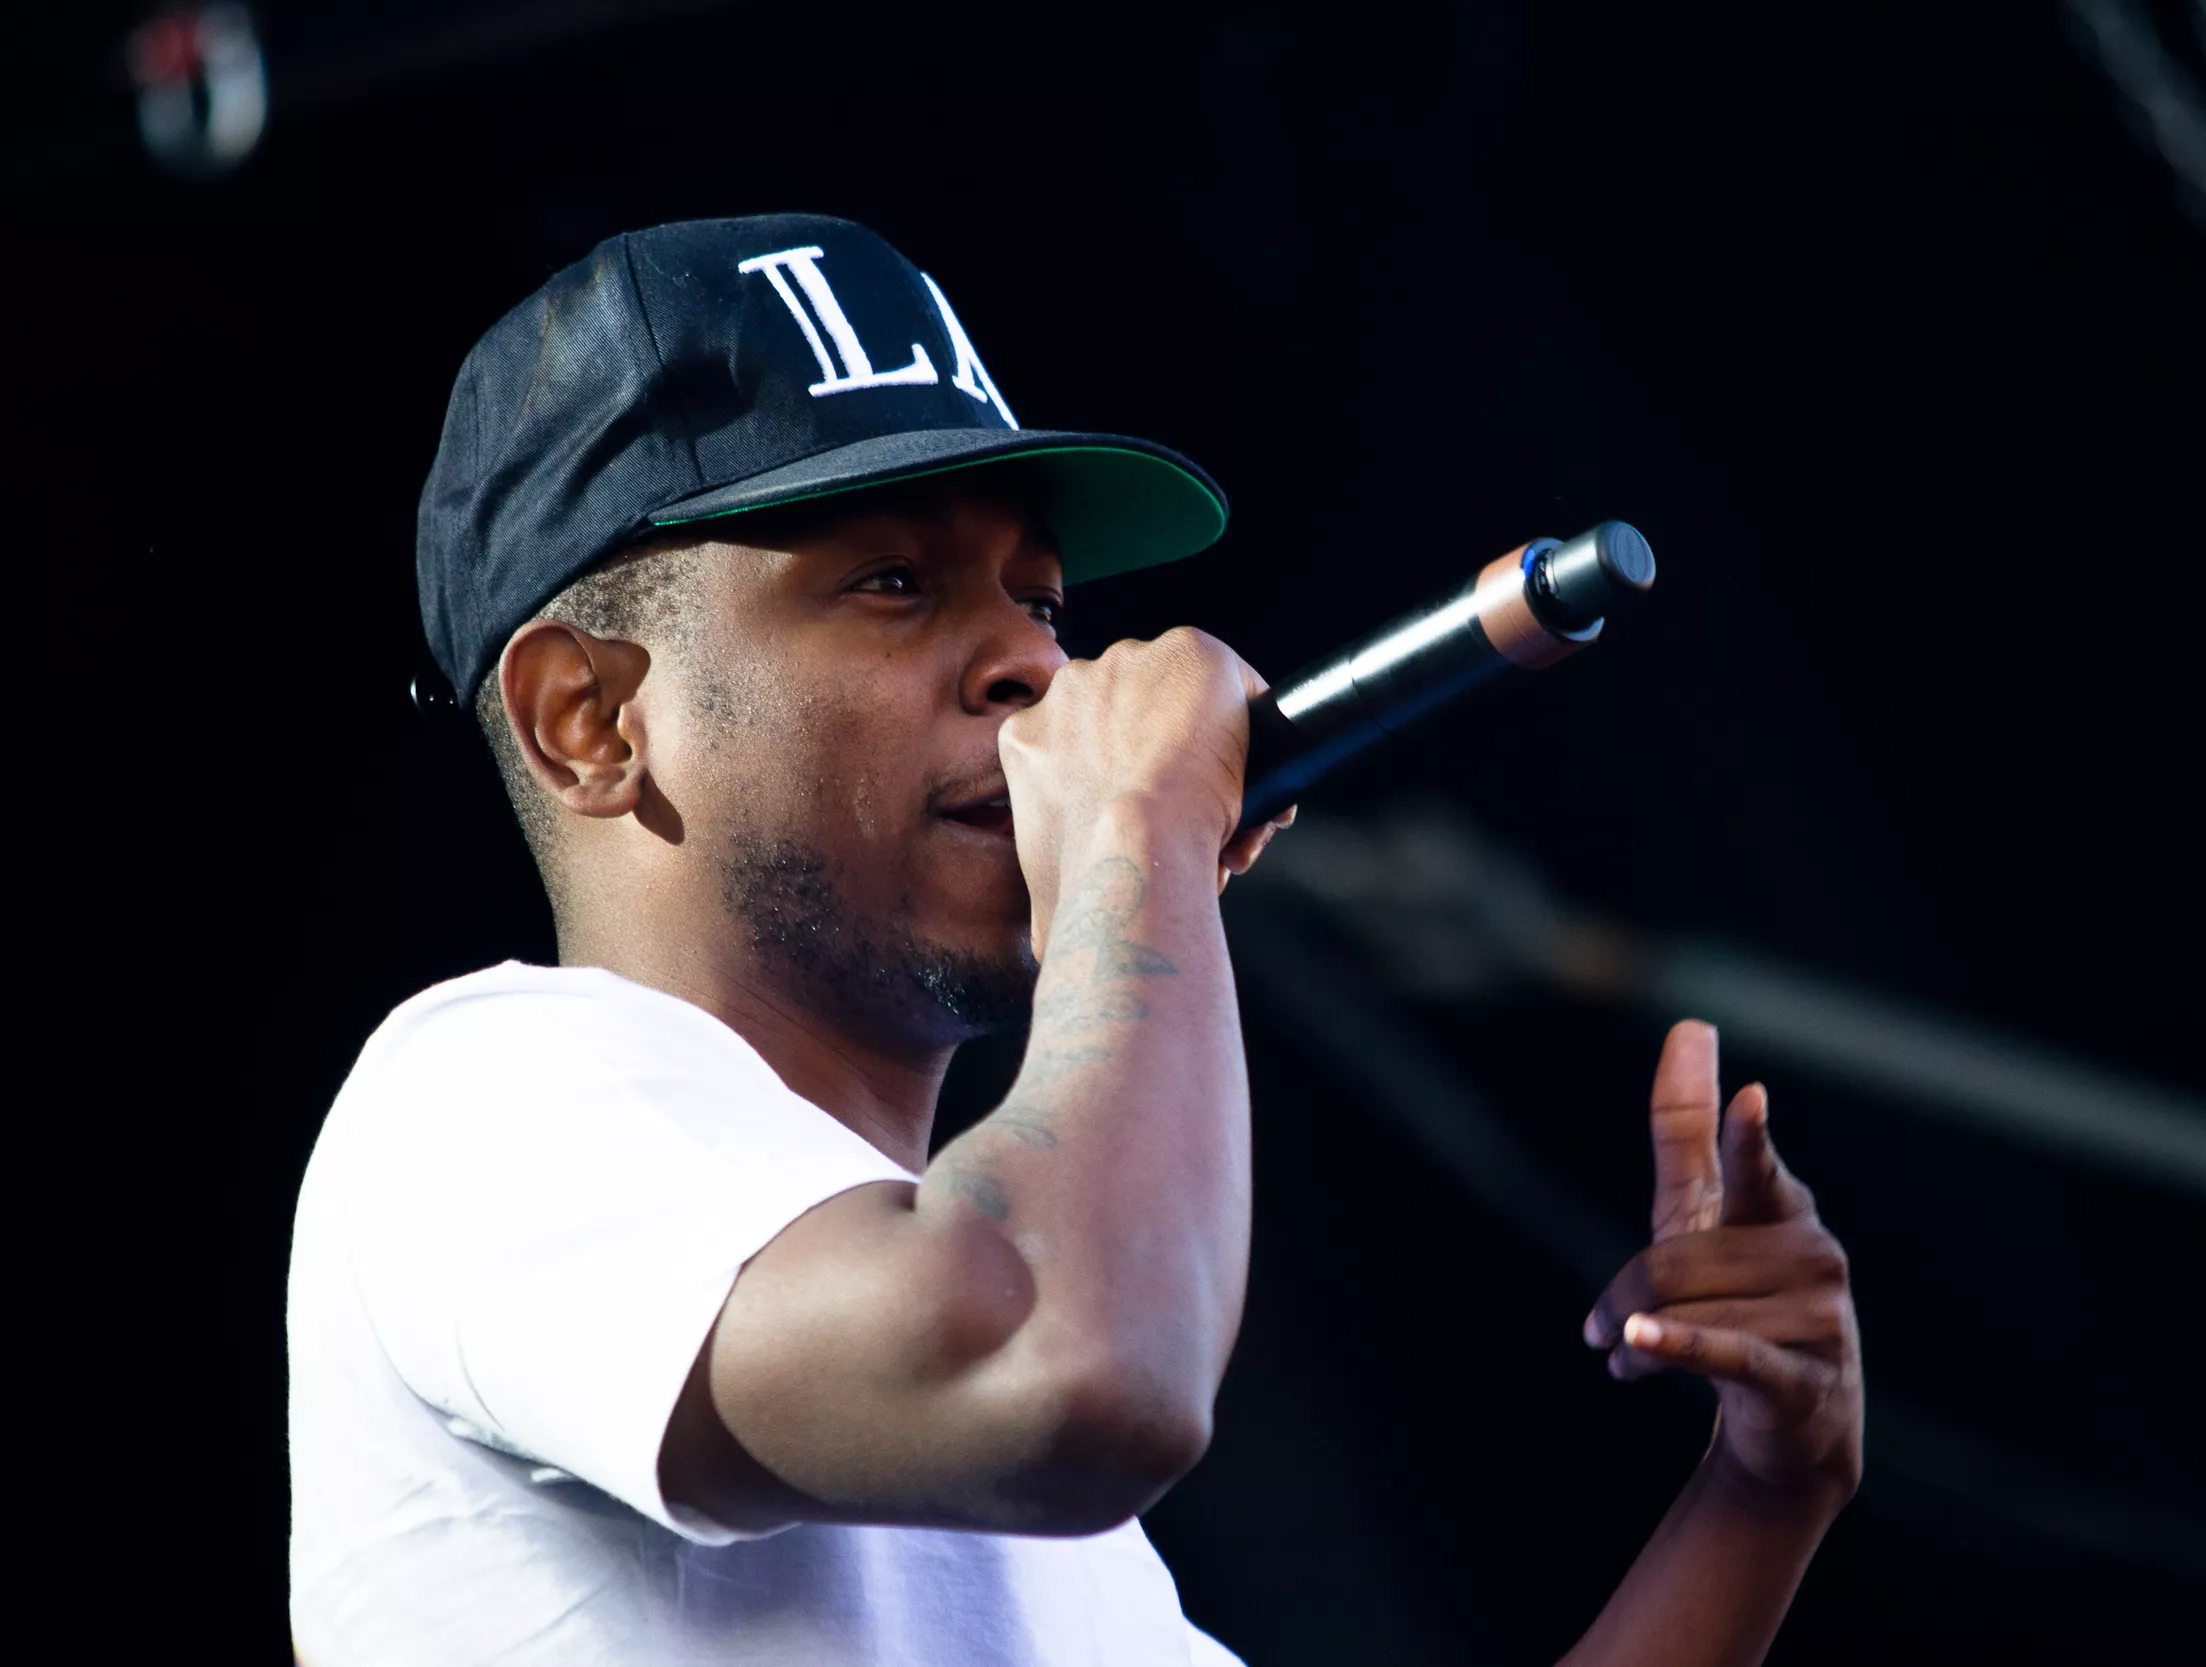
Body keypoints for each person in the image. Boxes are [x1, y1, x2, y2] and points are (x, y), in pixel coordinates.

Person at [286, 213, 1864, 1666]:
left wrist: (1757, 1493)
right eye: (894, 582)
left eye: (1040, 600)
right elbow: (1068, 1357)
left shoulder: (1037, 1505)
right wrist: (1141, 827)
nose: (1038, 667)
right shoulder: (476, 1101)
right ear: (591, 719)